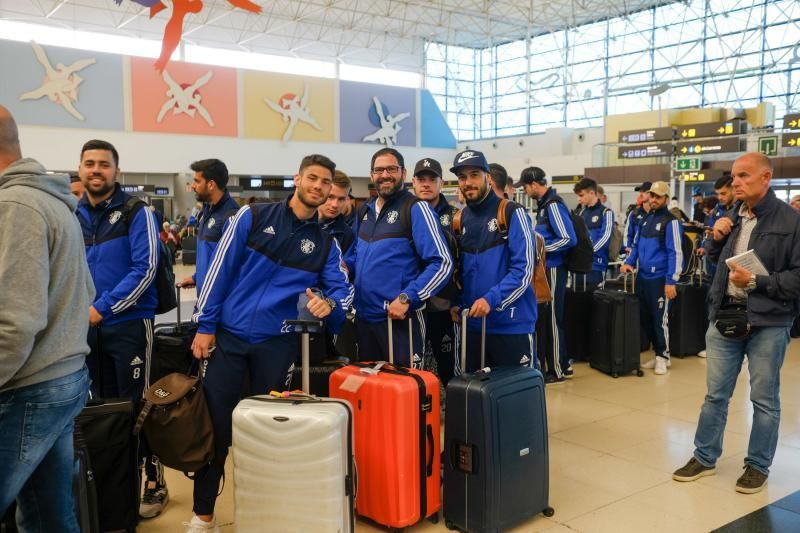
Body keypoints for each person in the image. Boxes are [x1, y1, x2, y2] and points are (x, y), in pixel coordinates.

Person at [188, 154, 354, 532]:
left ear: (331, 190)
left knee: (267, 432)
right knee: (214, 431)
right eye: (312, 178)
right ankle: (203, 516)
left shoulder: (325, 243)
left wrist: (328, 304)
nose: (318, 186)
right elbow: (218, 271)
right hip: (228, 339)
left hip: (277, 346)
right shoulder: (252, 217)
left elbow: (342, 294)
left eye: (325, 182)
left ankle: (261, 516)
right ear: (298, 179)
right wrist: (205, 324)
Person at [673, 152, 800, 494]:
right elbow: (714, 259)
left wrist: (758, 283)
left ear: (765, 178)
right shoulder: (730, 215)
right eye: (734, 176)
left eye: (744, 176)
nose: (736, 183)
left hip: (769, 322)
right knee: (715, 395)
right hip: (725, 316)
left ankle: (757, 465)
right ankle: (704, 457)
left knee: (763, 398)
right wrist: (714, 238)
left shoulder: (792, 221)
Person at [0, 106, 95, 532]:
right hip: (60, 378)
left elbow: (14, 322)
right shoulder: (52, 201)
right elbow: (85, 291)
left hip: (28, 386)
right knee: (49, 517)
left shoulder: (15, 205)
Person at [74, 139, 167, 518]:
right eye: (90, 163)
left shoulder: (136, 211)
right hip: (86, 328)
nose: (96, 170)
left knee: (137, 405)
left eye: (104, 164)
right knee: (100, 407)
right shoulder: (73, 214)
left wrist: (101, 308)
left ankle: (152, 477)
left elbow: (144, 270)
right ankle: (113, 486)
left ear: (116, 170)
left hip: (127, 324)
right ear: (80, 168)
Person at [353, 147, 452, 367]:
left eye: (391, 169)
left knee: (406, 393)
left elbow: (442, 263)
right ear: (371, 175)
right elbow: (355, 258)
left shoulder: (416, 209)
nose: (385, 175)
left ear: (404, 173)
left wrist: (408, 297)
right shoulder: (364, 212)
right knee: (371, 393)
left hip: (400, 321)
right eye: (379, 170)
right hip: (365, 320)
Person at [449, 150, 537, 370]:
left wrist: (492, 299)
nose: (468, 182)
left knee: (515, 399)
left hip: (510, 326)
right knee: (476, 400)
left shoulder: (512, 213)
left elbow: (524, 270)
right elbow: (460, 270)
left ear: (488, 177)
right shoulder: (459, 220)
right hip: (473, 328)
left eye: (474, 174)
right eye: (462, 177)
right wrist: (457, 302)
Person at [620, 181, 683, 376]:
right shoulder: (645, 219)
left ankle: (663, 356)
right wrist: (629, 261)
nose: (653, 200)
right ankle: (658, 352)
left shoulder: (671, 221)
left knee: (659, 319)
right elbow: (636, 245)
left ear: (665, 198)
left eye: (657, 197)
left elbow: (675, 252)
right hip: (642, 277)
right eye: (651, 196)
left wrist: (671, 281)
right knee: (645, 318)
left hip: (660, 278)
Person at [520, 166, 576, 380]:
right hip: (548, 268)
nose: (525, 191)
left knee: (552, 319)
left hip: (553, 268)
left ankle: (556, 370)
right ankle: (561, 363)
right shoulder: (545, 206)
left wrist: (541, 250)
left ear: (534, 185)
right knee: (551, 319)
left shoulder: (552, 205)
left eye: (525, 186)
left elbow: (568, 238)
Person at [411, 157, 459, 384]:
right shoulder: (406, 213)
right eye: (421, 179)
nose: (426, 184)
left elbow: (462, 263)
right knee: (413, 365)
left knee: (449, 363)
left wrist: (459, 300)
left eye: (432, 179)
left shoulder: (456, 216)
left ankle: (454, 411)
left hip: (444, 305)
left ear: (442, 183)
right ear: (413, 182)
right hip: (411, 303)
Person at [177, 159, 240, 294]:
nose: (193, 186)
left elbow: (228, 268)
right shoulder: (207, 210)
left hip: (217, 305)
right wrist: (197, 278)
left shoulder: (231, 216)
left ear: (211, 184)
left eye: (197, 181)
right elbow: (210, 256)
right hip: (205, 297)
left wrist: (207, 312)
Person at [573, 177, 614, 289]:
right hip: (579, 266)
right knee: (577, 302)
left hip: (596, 265)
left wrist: (589, 252)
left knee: (596, 302)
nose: (578, 199)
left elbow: (605, 237)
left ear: (591, 193)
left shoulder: (606, 212)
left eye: (581, 195)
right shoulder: (580, 213)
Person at [318, 169, 357, 277]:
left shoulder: (347, 234)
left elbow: (338, 276)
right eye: (330, 197)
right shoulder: (296, 222)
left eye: (341, 199)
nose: (335, 204)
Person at [624, 181, 650, 254]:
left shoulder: (657, 214)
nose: (641, 194)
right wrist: (628, 250)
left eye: (644, 191)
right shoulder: (634, 214)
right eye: (640, 191)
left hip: (652, 256)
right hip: (635, 255)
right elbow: (628, 234)